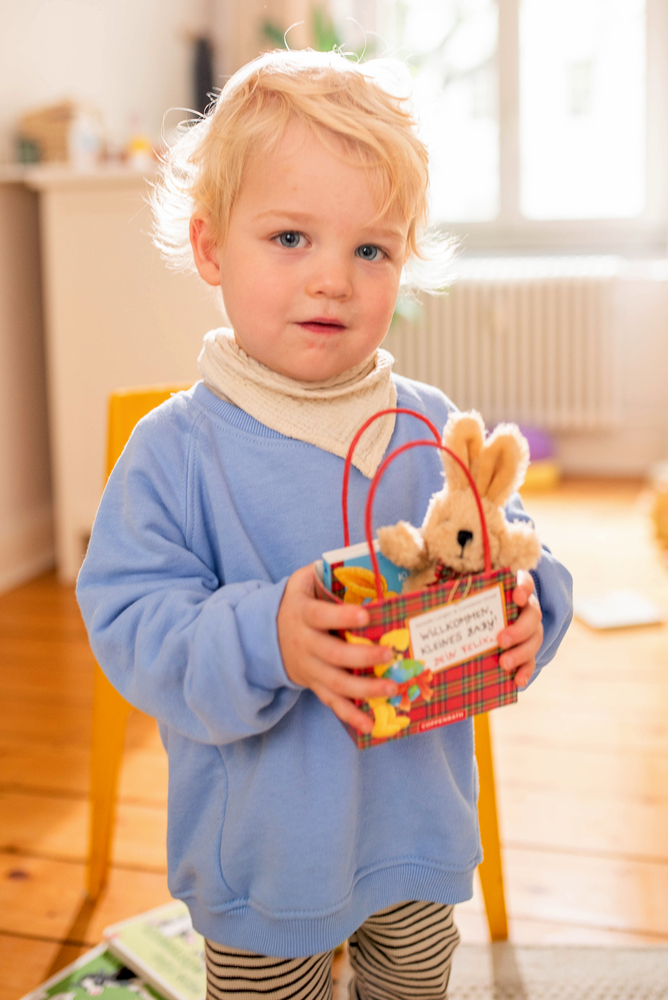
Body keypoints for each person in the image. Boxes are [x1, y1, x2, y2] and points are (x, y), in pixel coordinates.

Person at [77, 49, 572, 1000]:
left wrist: (533, 609)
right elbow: (133, 625)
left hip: (416, 836)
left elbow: (506, 533)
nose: (334, 281)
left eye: (371, 249)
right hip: (266, 861)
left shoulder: (427, 423)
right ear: (213, 246)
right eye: (291, 238)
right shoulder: (174, 450)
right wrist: (271, 634)